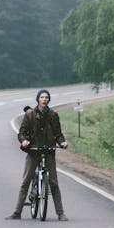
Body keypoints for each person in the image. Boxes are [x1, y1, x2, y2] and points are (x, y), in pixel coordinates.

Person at [7, 89, 69, 220]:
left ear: (48, 100)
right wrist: (23, 141)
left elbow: (58, 134)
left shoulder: (53, 115)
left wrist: (62, 142)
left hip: (49, 150)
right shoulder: (30, 114)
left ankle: (60, 213)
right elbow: (22, 132)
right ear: (38, 99)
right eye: (42, 97)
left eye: (46, 97)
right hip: (33, 150)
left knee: (53, 182)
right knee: (26, 181)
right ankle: (17, 212)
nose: (44, 99)